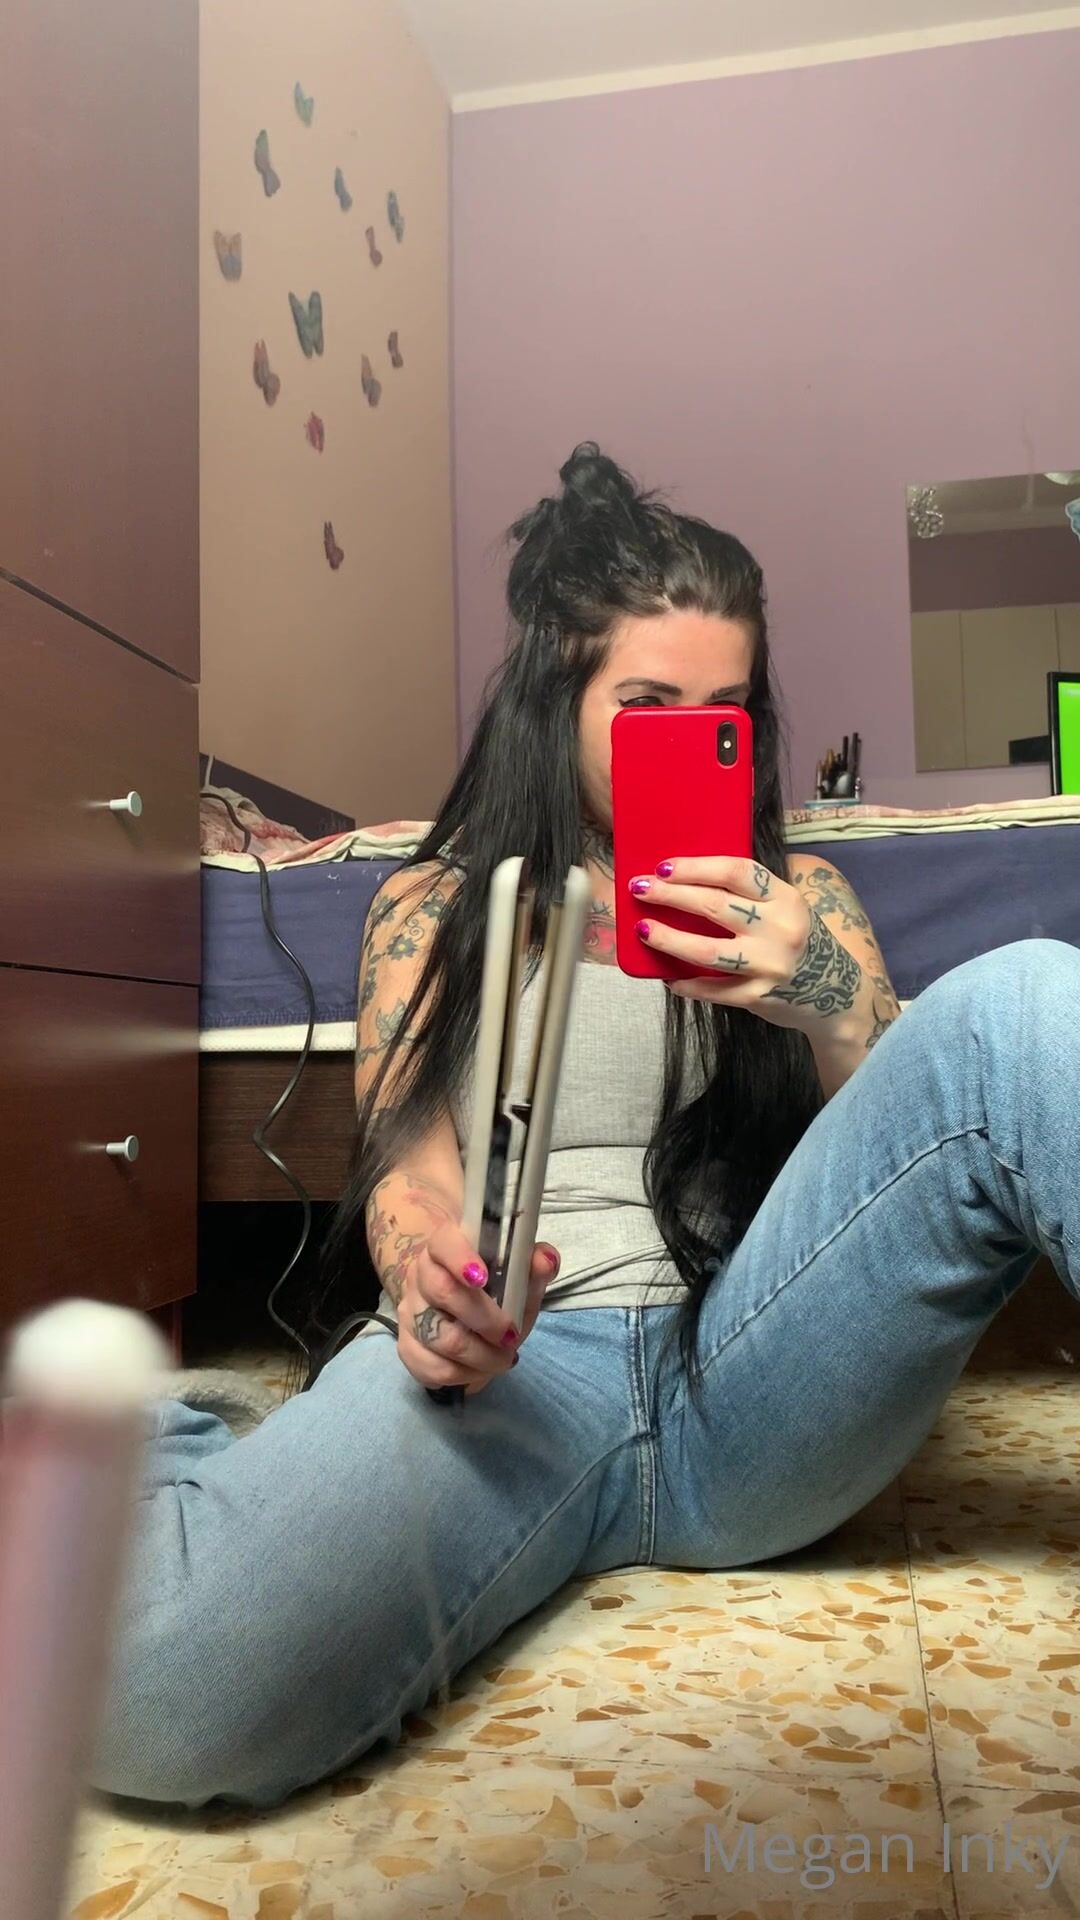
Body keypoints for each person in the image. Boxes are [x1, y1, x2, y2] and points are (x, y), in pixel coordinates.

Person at [96, 445, 1080, 1808]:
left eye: (722, 714)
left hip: (752, 1370)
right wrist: (432, 1275)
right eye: (647, 706)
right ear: (557, 698)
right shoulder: (433, 907)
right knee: (160, 1699)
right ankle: (171, 1441)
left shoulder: (804, 898)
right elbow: (408, 1171)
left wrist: (825, 995)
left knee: (1027, 999)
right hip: (511, 1374)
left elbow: (906, 1164)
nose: (690, 740)